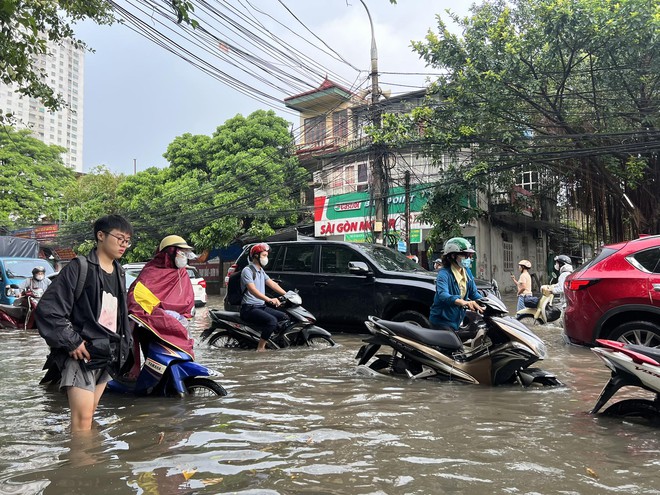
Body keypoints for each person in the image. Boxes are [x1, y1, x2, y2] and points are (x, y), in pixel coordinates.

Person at [35, 215, 134, 433]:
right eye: (119, 238)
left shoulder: (119, 271)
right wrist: (72, 342)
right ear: (100, 236)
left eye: (127, 240)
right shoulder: (79, 268)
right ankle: (80, 463)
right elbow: (47, 310)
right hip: (82, 353)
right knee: (82, 422)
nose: (123, 245)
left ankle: (86, 459)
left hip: (106, 352)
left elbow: (118, 316)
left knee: (88, 418)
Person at [126, 235, 196, 377]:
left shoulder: (182, 274)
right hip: (151, 328)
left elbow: (188, 301)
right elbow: (136, 298)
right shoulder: (151, 272)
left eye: (185, 253)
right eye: (181, 253)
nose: (184, 257)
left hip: (177, 326)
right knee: (153, 364)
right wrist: (160, 313)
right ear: (169, 252)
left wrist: (177, 316)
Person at [429, 237, 483, 333]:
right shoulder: (444, 274)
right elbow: (443, 295)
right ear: (453, 255)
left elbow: (473, 293)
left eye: (470, 255)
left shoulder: (467, 272)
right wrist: (464, 302)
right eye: (466, 255)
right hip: (442, 322)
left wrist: (487, 302)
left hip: (457, 320)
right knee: (455, 347)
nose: (469, 258)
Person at [240, 243, 288, 351]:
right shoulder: (247, 271)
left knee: (285, 317)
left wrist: (288, 295)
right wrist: (269, 299)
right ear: (256, 256)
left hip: (260, 306)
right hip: (249, 308)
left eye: (267, 256)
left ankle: (272, 340)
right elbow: (253, 290)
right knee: (272, 321)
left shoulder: (261, 271)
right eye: (264, 255)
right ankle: (260, 348)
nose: (266, 258)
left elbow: (273, 284)